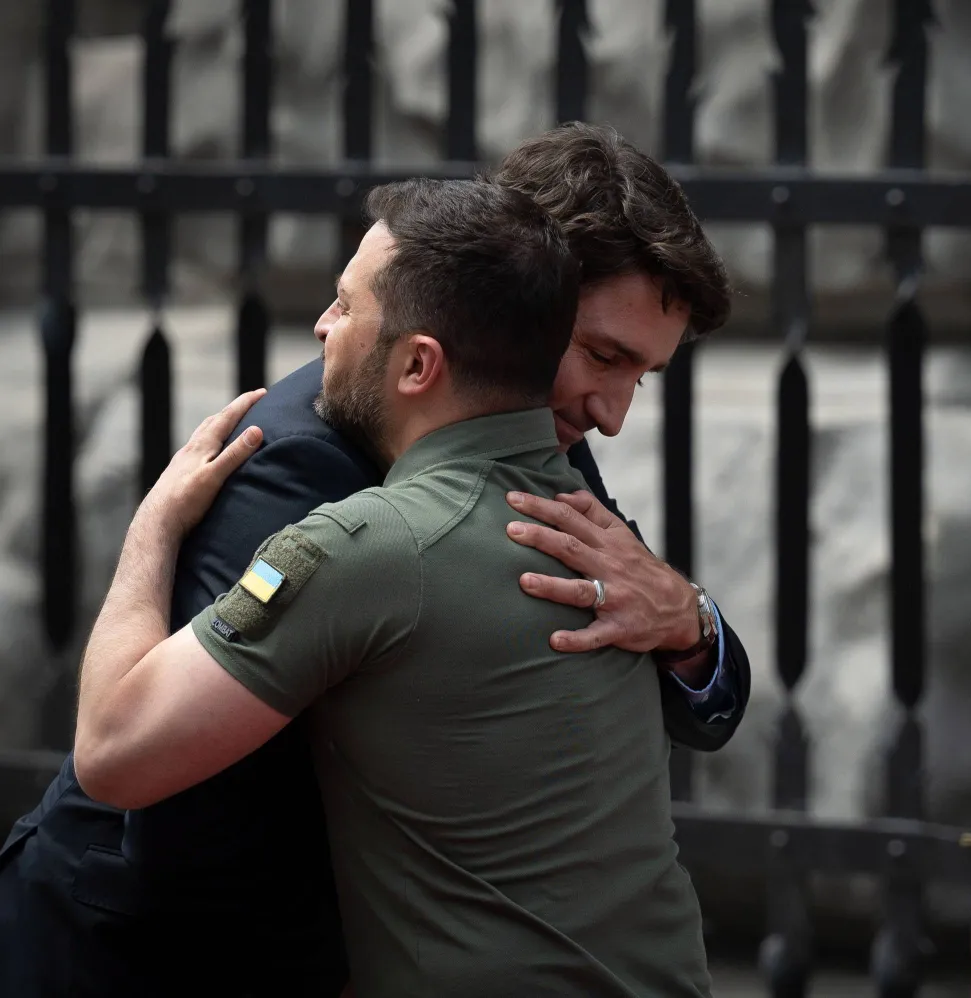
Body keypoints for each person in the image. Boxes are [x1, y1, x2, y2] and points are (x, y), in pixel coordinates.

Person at [0, 123, 748, 997]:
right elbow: (176, 800)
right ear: (519, 290)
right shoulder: (293, 462)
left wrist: (690, 624)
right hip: (126, 951)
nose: (614, 412)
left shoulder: (538, 448)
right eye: (603, 356)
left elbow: (643, 687)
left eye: (641, 376)